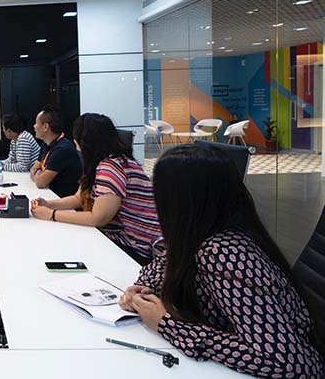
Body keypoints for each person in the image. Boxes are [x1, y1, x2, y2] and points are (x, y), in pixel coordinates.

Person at [120, 144, 324, 378]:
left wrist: (169, 326)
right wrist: (141, 293)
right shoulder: (196, 236)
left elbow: (288, 363)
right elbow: (157, 271)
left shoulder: (224, 252)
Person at [31, 113, 160, 264]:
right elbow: (79, 198)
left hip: (135, 246)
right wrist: (49, 204)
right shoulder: (102, 163)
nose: (75, 143)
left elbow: (98, 218)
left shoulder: (111, 167)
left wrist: (52, 214)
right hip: (120, 238)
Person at [28, 105, 82, 197]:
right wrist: (38, 173)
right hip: (50, 194)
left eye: (36, 123)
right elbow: (33, 169)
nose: (34, 126)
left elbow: (41, 183)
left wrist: (38, 174)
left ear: (45, 127)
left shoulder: (62, 149)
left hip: (62, 199)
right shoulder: (46, 144)